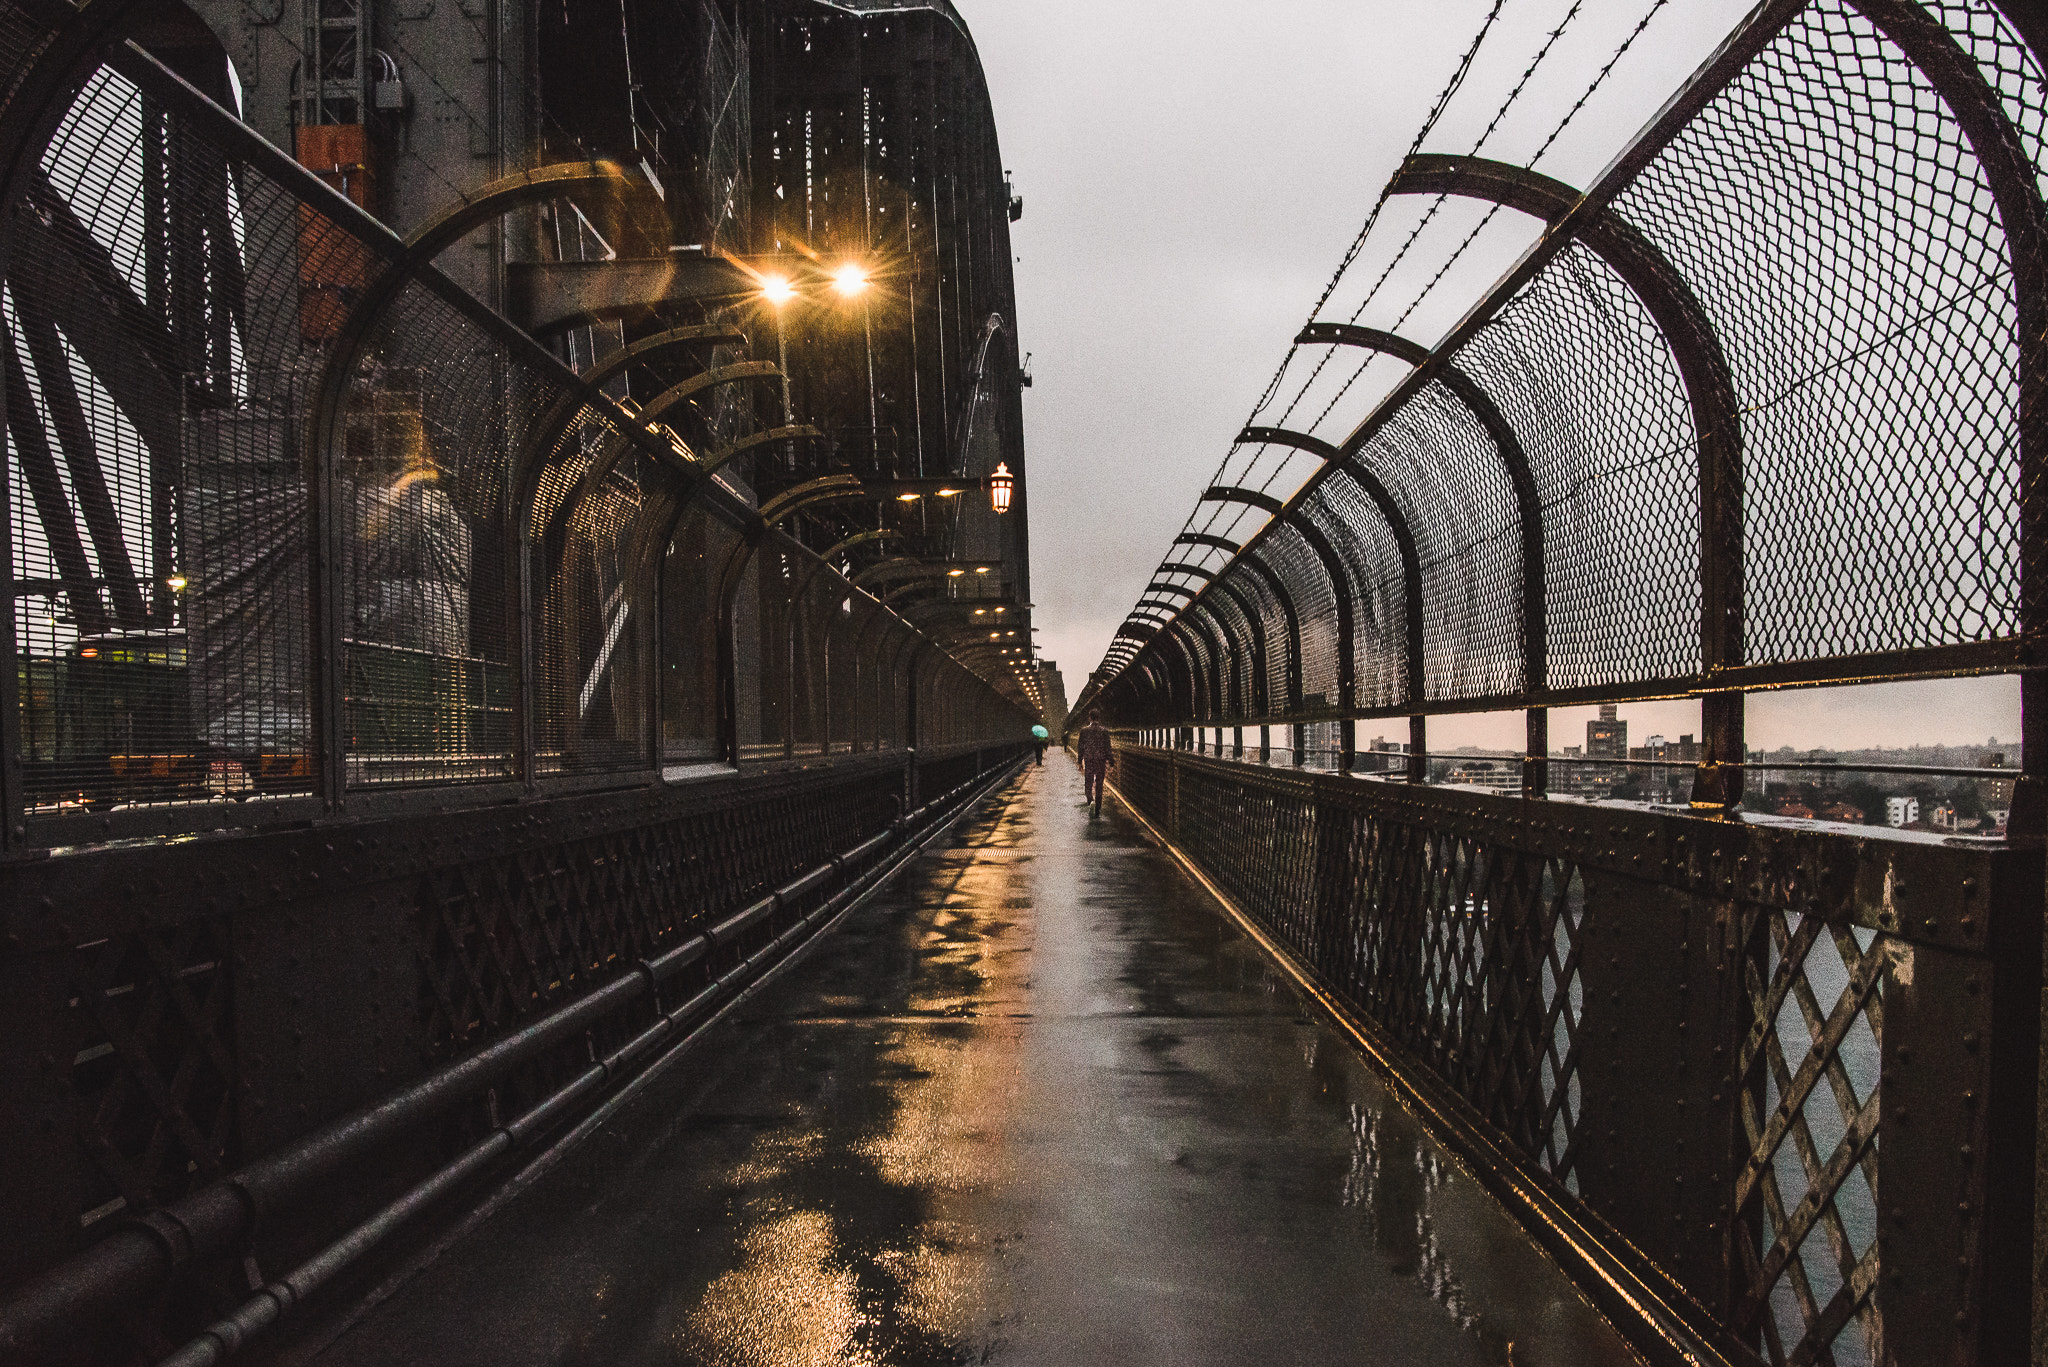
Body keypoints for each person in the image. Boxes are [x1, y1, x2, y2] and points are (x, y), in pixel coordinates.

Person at [1077, 710, 1115, 816]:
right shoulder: (1104, 731)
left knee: (1088, 782)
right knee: (1099, 784)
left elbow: (1080, 747)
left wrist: (1080, 761)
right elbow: (1108, 748)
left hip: (1089, 760)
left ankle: (1090, 800)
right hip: (1100, 760)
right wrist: (1111, 762)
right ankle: (1097, 809)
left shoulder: (1084, 730)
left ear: (1090, 718)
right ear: (1099, 718)